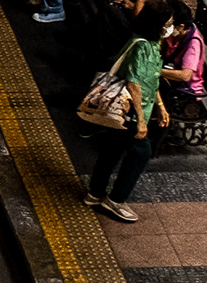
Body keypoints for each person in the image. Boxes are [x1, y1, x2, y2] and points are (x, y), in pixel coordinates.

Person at [70, 29, 175, 224]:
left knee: (111, 148)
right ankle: (116, 200)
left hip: (122, 111)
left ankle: (95, 193)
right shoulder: (146, 46)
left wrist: (160, 106)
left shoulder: (140, 40)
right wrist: (141, 121)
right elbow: (135, 84)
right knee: (141, 153)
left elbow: (151, 81)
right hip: (130, 112)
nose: (170, 27)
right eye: (168, 22)